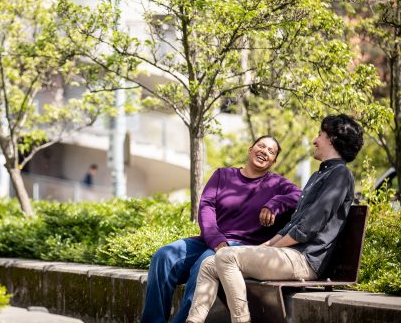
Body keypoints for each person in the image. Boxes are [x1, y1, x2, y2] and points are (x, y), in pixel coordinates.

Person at [186, 114, 364, 323]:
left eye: (320, 135)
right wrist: (267, 245)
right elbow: (295, 222)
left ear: (332, 139)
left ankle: (241, 320)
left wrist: (271, 248)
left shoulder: (339, 175)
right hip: (288, 255)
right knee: (209, 264)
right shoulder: (319, 175)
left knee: (226, 257)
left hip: (305, 260)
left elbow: (308, 226)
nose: (315, 140)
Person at [141, 136, 302, 323]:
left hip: (242, 248)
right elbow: (206, 206)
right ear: (250, 149)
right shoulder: (222, 175)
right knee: (164, 256)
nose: (265, 151)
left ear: (273, 161)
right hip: (211, 239)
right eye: (261, 146)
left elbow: (299, 195)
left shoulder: (277, 184)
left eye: (271, 151)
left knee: (203, 264)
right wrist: (216, 240)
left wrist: (275, 203)